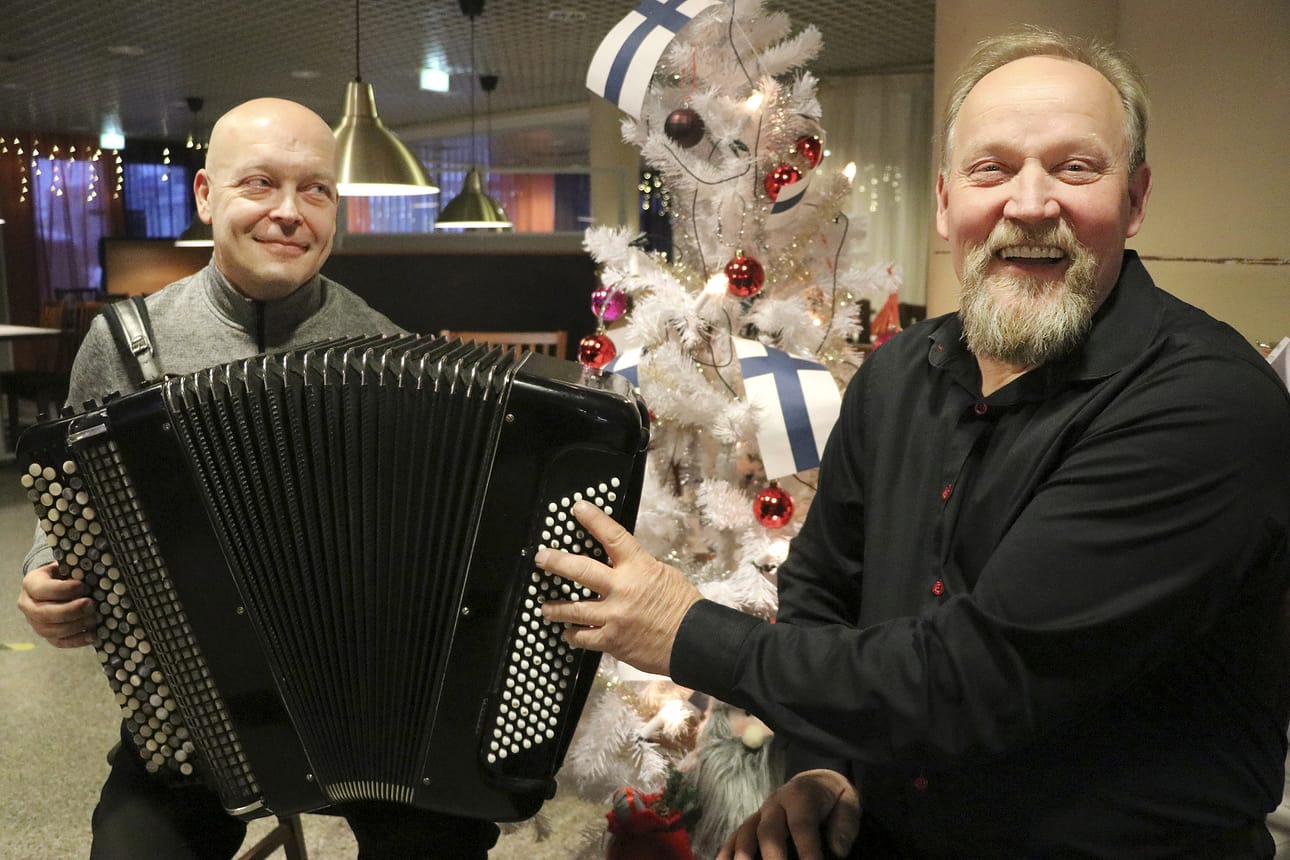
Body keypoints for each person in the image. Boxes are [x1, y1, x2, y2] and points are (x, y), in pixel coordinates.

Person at [536, 26, 1290, 859]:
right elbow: (825, 590)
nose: (1030, 203)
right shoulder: (897, 376)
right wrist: (826, 767)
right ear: (944, 201)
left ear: (1137, 198)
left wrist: (687, 631)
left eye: (1076, 168)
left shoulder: (1206, 407)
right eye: (991, 169)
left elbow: (973, 681)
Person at [15, 97, 498, 859]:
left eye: (315, 190)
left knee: (444, 841)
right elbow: (69, 521)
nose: (289, 212)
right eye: (260, 184)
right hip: (191, 706)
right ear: (206, 196)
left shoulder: (390, 356)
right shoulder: (123, 346)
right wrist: (46, 576)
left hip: (372, 715)